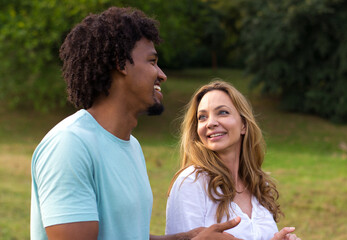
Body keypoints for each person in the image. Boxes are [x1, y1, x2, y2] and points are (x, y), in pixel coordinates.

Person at [30, 7, 241, 240]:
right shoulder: (70, 145)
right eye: (152, 62)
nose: (162, 75)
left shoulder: (132, 146)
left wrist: (186, 238)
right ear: (121, 63)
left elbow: (128, 235)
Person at [165, 81, 301, 240]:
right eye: (202, 117)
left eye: (222, 112)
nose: (211, 123)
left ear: (244, 125)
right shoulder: (191, 182)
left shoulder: (259, 184)